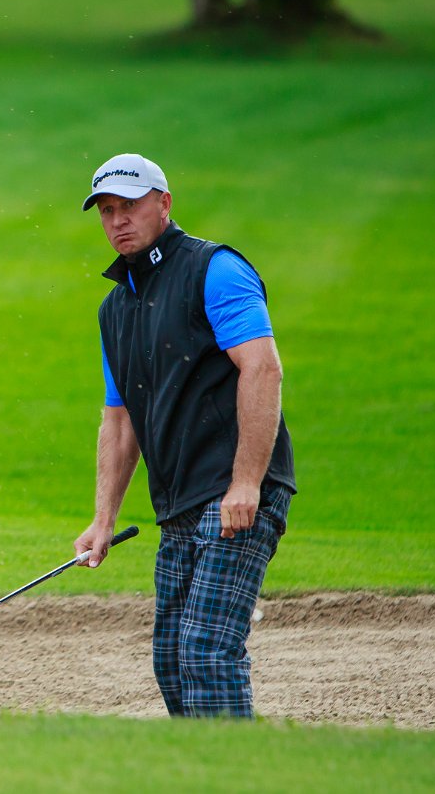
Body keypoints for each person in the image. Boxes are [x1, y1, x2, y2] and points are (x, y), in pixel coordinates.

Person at [72, 153, 295, 718]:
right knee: (172, 658)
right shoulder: (114, 309)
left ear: (164, 204)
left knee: (208, 652)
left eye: (131, 206)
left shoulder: (214, 270)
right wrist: (102, 519)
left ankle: (231, 774)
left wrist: (246, 482)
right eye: (107, 210)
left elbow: (263, 369)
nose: (118, 220)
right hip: (178, 503)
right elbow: (119, 419)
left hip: (233, 496)